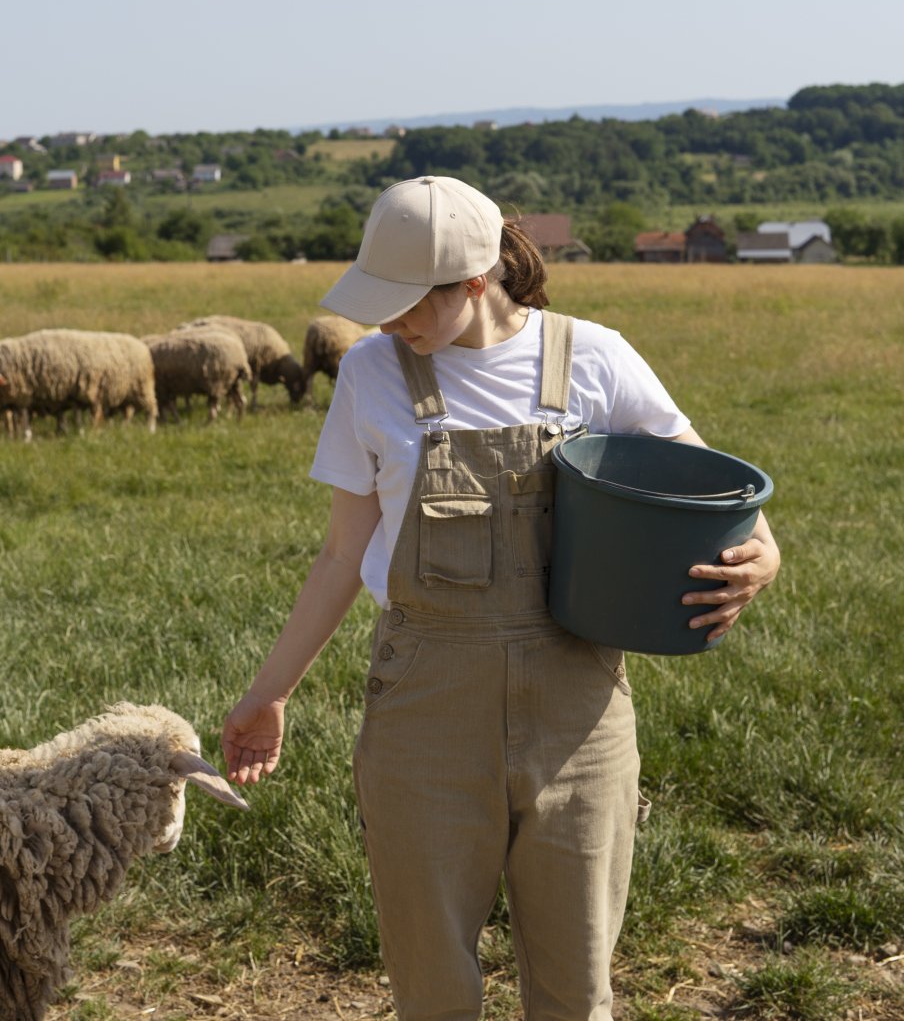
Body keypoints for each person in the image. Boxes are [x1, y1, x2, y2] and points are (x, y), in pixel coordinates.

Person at [222, 175, 780, 1021]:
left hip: (578, 713)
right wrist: (270, 694)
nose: (390, 325)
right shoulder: (372, 374)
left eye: (410, 305)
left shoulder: (592, 355)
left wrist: (762, 550)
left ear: (476, 284)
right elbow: (342, 553)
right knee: (433, 986)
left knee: (576, 987)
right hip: (423, 710)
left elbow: (710, 487)